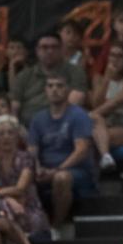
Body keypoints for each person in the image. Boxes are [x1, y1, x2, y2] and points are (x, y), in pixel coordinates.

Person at [27, 76, 94, 232]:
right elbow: (32, 150)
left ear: (67, 90)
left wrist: (57, 170)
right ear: (45, 91)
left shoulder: (78, 115)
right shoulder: (38, 119)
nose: (54, 89)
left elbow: (82, 150)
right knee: (23, 176)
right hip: (45, 169)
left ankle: (56, 226)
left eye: (59, 86)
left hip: (76, 171)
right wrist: (37, 168)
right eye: (50, 86)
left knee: (61, 178)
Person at [0, 115, 51, 240]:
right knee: (0, 208)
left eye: (10, 133)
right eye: (1, 133)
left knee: (31, 218)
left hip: (27, 206)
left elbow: (20, 188)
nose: (6, 137)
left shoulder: (26, 158)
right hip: (4, 207)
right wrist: (9, 200)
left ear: (17, 136)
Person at [89, 41, 123, 171]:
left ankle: (103, 162)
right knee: (96, 124)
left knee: (95, 134)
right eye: (112, 55)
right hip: (104, 123)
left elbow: (115, 103)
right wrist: (107, 79)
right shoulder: (98, 78)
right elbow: (95, 103)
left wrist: (88, 116)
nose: (115, 60)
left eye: (120, 56)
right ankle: (106, 157)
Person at [11, 31, 87, 124]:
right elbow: (14, 106)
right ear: (37, 51)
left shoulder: (75, 71)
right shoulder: (24, 75)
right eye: (44, 47)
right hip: (27, 127)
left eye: (54, 47)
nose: (49, 51)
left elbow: (76, 101)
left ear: (61, 49)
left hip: (63, 124)